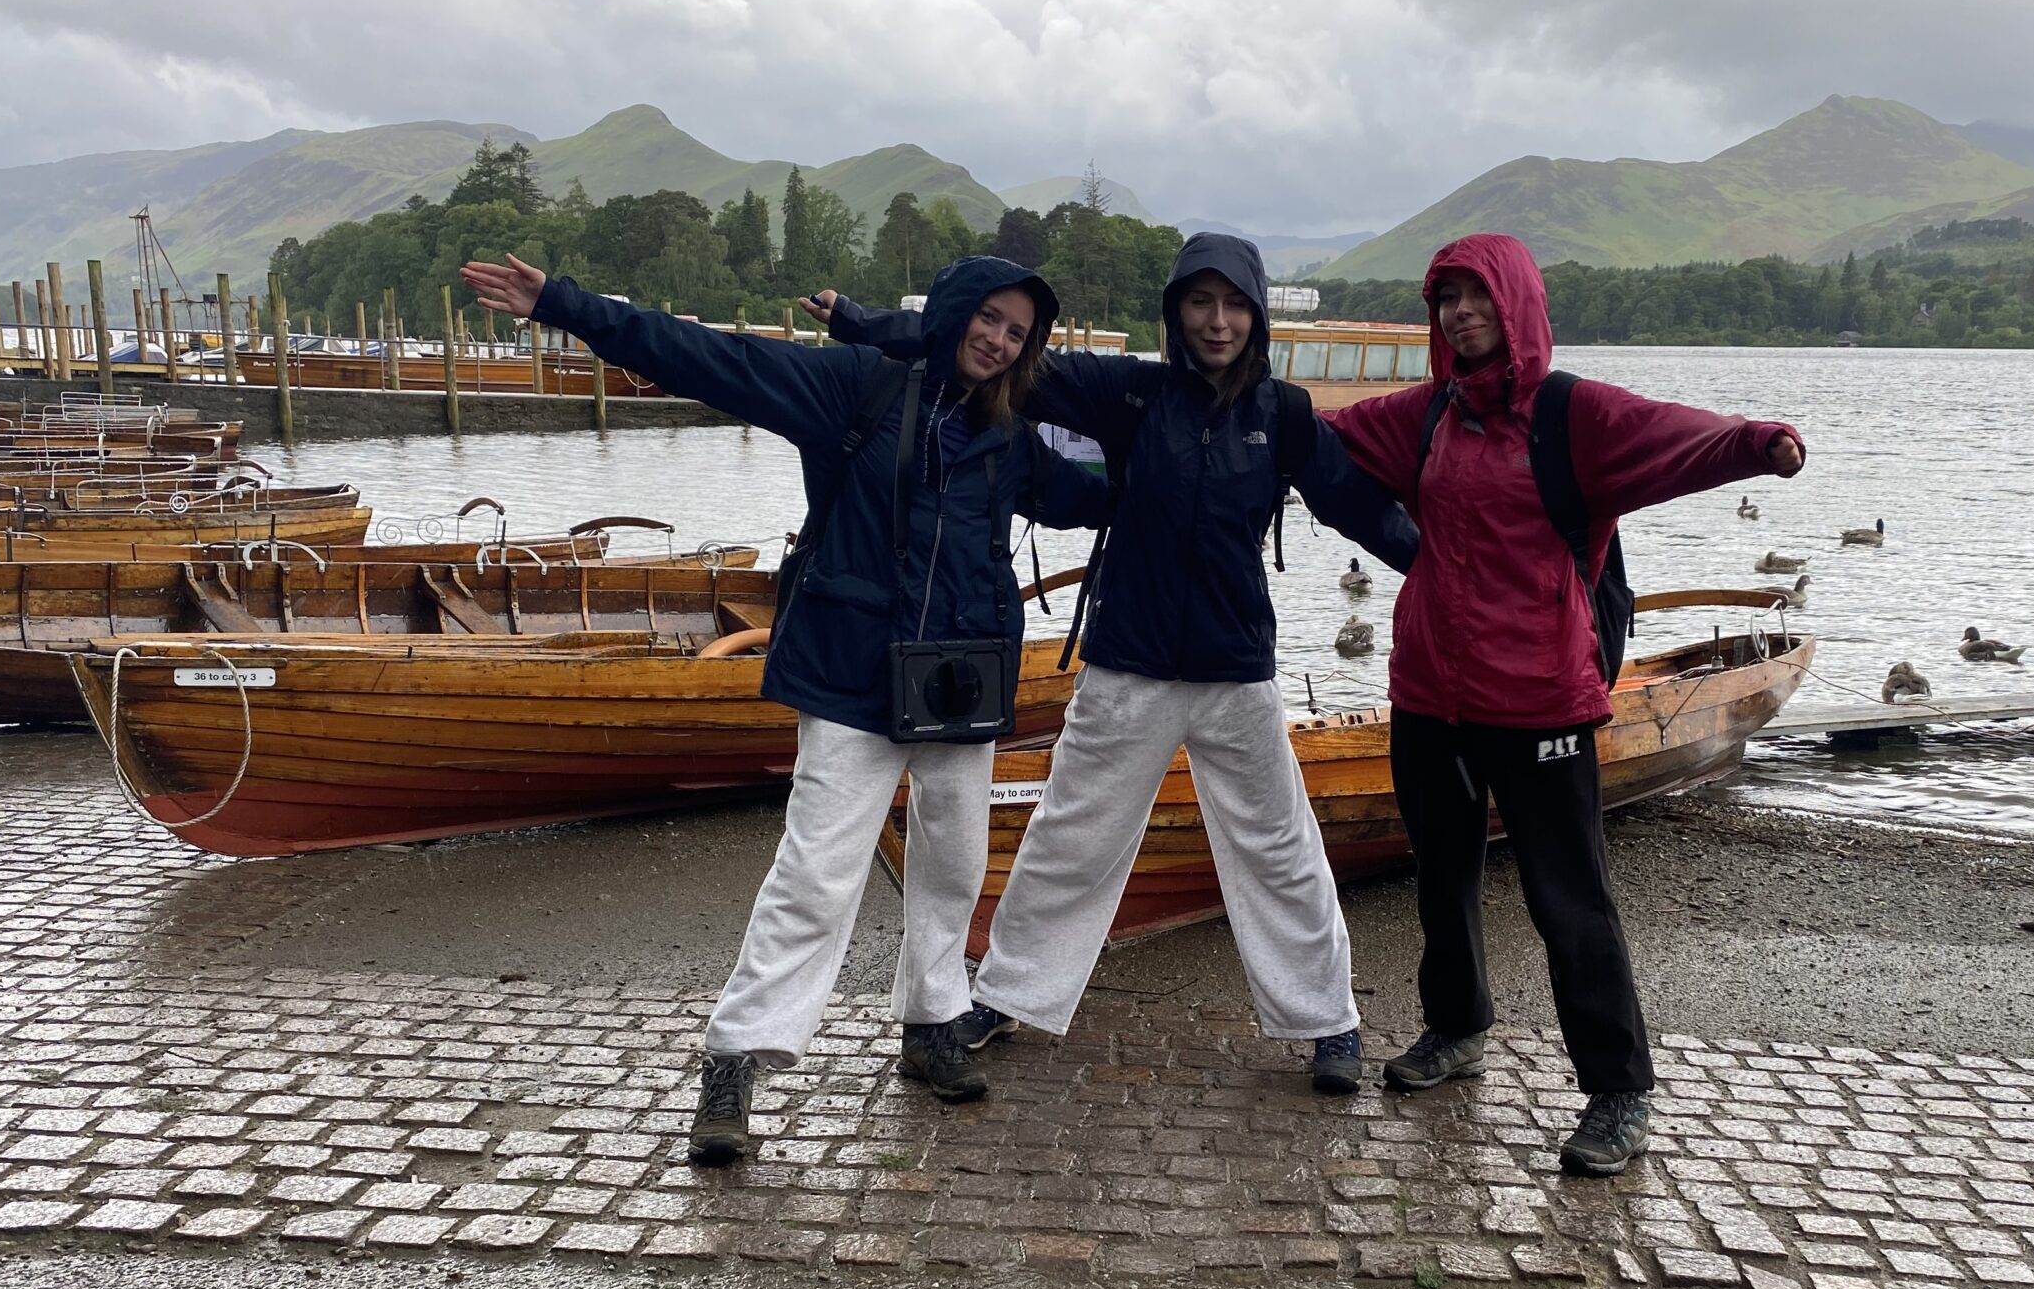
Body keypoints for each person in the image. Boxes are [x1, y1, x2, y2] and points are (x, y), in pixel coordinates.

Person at [459, 251, 1108, 1164]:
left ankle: (933, 1022)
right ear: (953, 311)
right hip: (849, 670)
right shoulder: (855, 387)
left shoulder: (1009, 434)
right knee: (815, 873)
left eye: (1019, 332)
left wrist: (1212, 466)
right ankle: (735, 1058)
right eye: (989, 318)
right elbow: (708, 357)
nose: (998, 341)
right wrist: (564, 305)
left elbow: (1099, 497)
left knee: (955, 862)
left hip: (960, 680)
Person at [815, 233, 1419, 1091]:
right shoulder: (1132, 393)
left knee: (1279, 846)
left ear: (1256, 315)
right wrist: (860, 322)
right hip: (1129, 660)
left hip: (1234, 667)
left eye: (1235, 304)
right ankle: (1007, 994)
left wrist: (1443, 570)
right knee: (1071, 835)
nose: (1218, 321)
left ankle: (1328, 1020)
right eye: (1200, 303)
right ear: (1176, 312)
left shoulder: (1283, 415)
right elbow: (999, 352)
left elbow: (1361, 506)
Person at [1326, 234, 1805, 1176]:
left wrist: (1759, 443)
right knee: (1441, 876)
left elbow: (1675, 436)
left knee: (1568, 896)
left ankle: (1619, 1090)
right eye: (1447, 298)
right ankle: (1456, 1027)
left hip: (1539, 701)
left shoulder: (1573, 414)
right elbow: (1324, 435)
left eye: (1477, 295)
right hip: (1429, 693)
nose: (1462, 312)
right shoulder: (1427, 415)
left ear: (1516, 304)